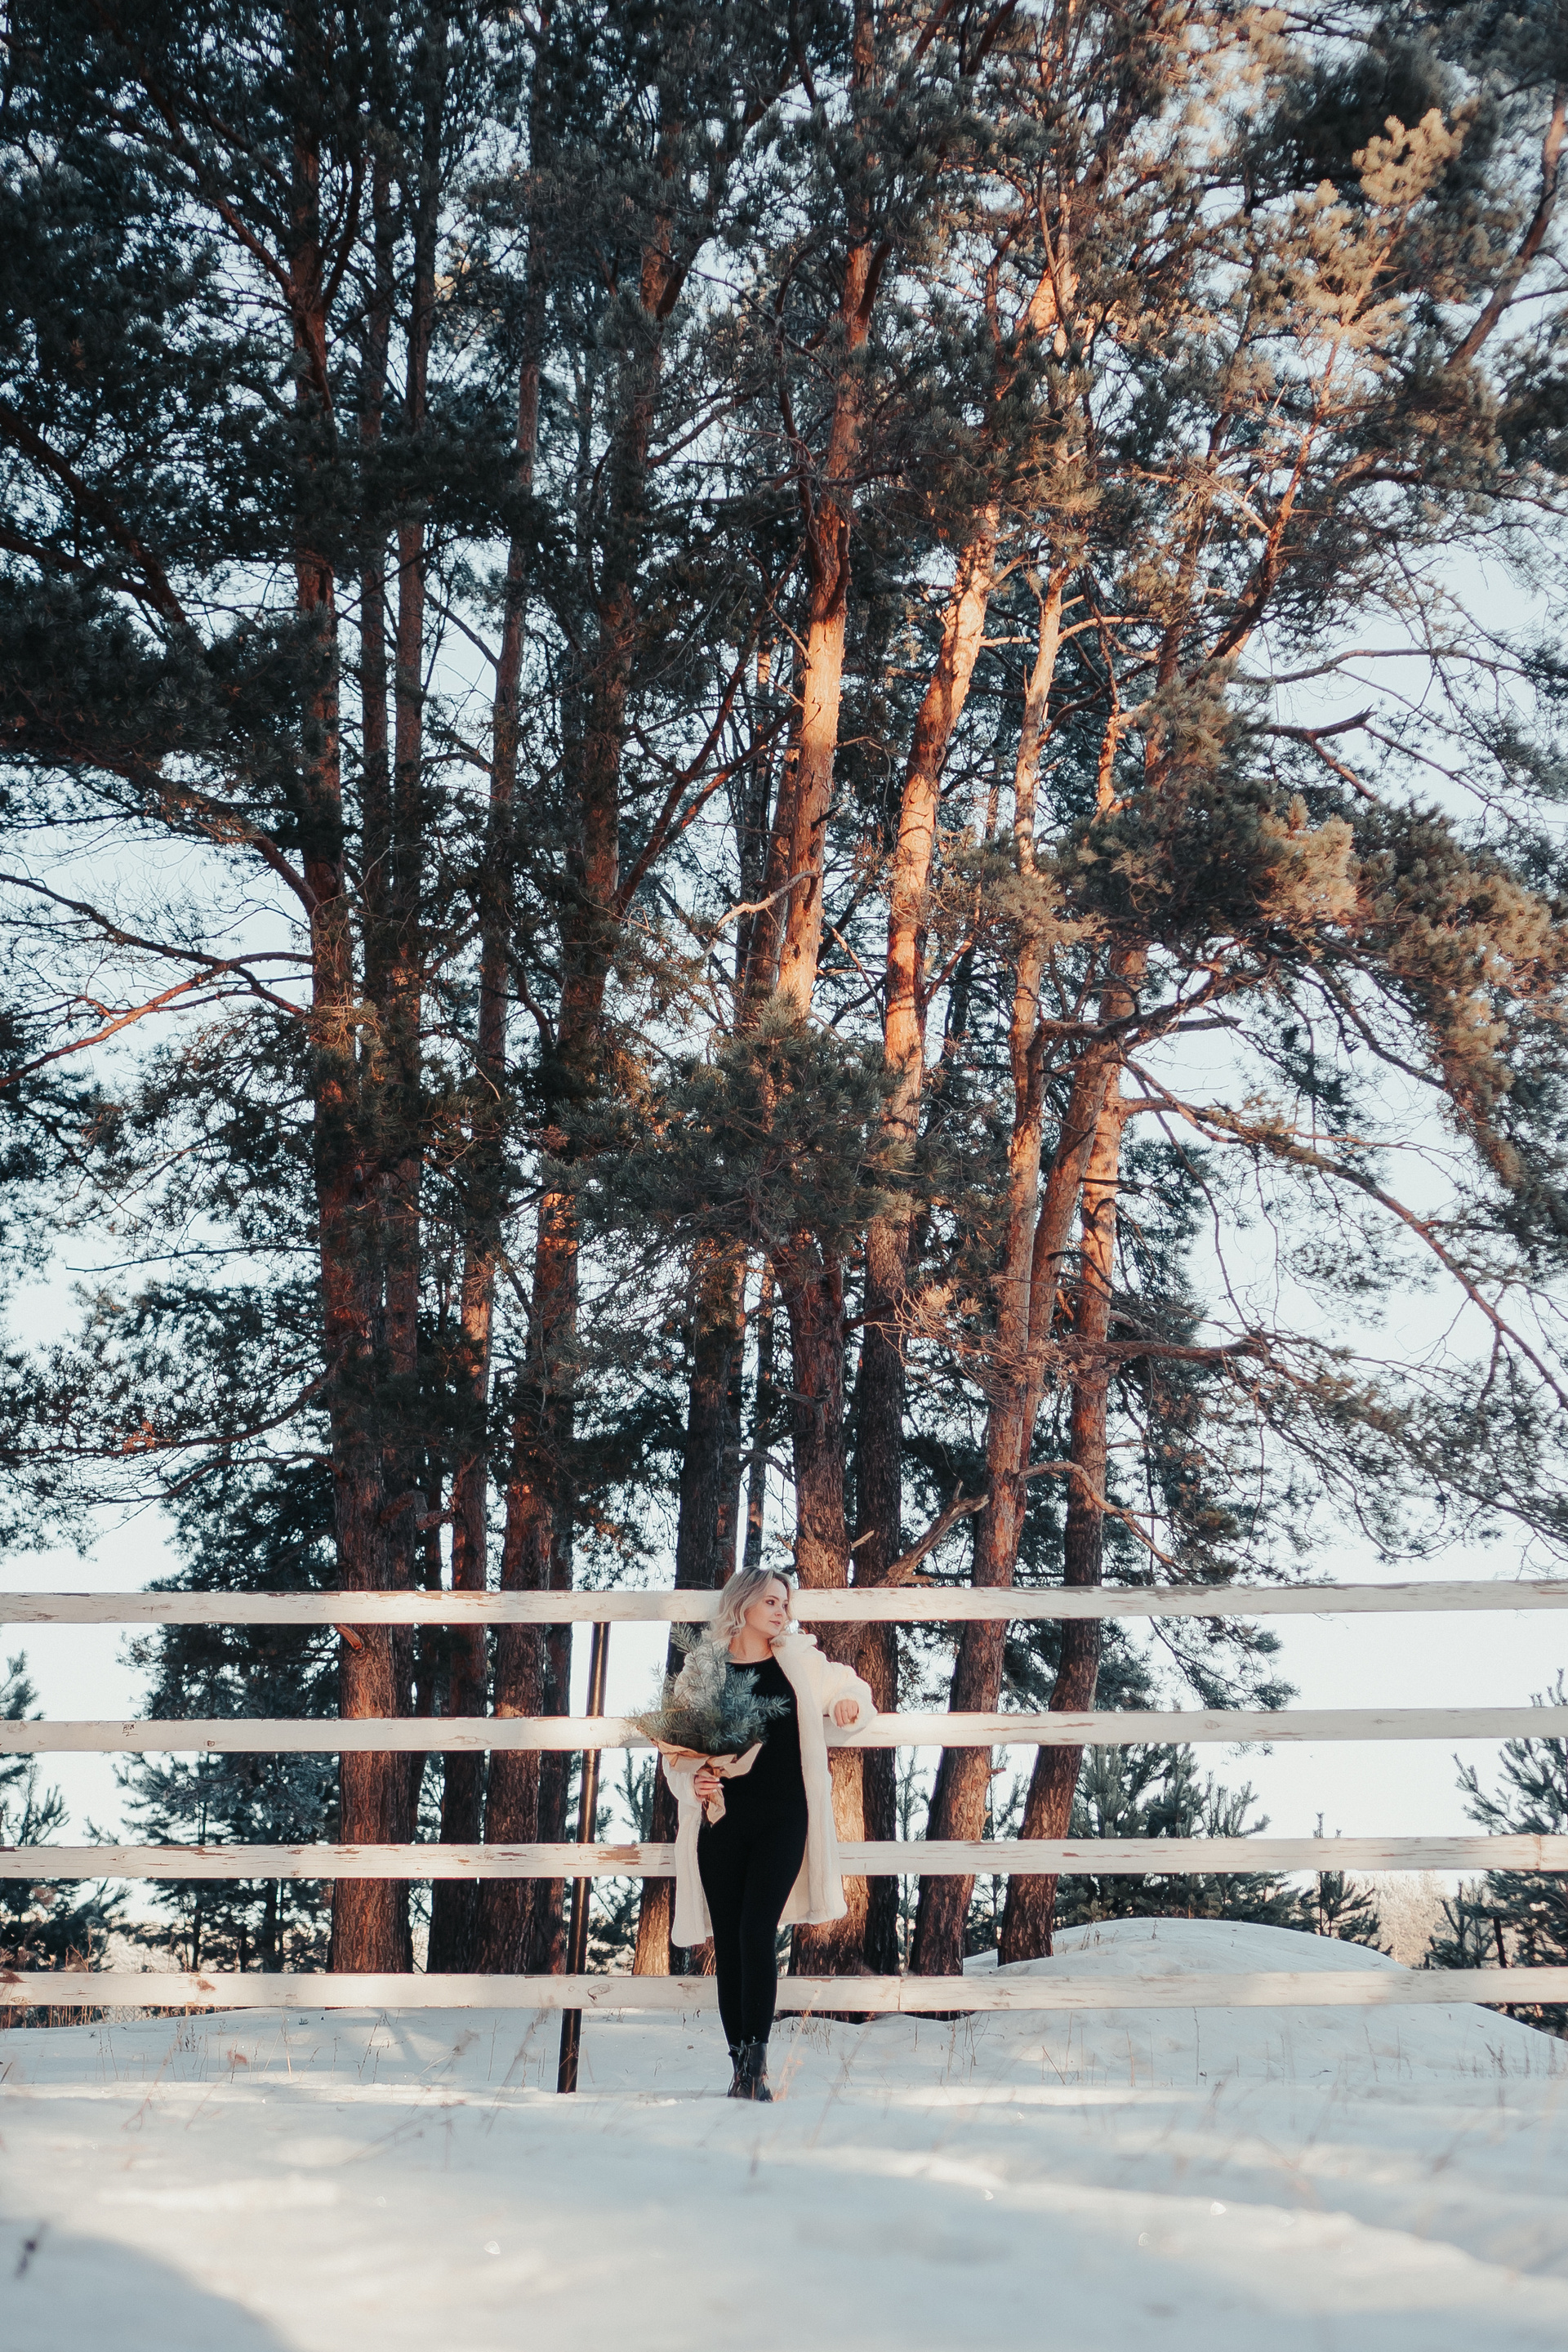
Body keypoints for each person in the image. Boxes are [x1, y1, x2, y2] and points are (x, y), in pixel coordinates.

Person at [660, 1566, 875, 2101]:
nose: (783, 1612)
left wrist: (847, 1705)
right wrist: (694, 1778)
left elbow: (849, 1686)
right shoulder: (702, 1670)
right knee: (730, 1940)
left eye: (785, 1603)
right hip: (721, 1820)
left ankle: (757, 2067)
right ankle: (740, 2070)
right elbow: (674, 1748)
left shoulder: (800, 1660)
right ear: (743, 1604)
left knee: (757, 1931)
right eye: (772, 1602)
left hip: (785, 1817)